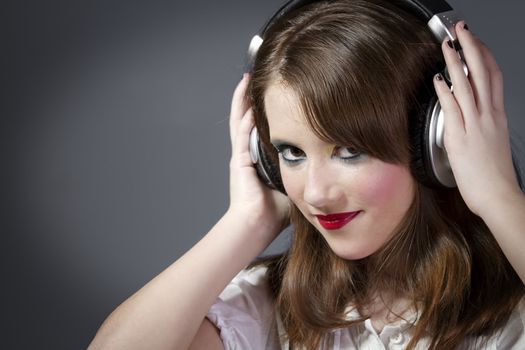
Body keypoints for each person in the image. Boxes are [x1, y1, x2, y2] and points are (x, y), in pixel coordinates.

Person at [88, 0, 525, 349]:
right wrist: (247, 222)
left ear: (437, 145)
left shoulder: (512, 309)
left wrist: (497, 194)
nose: (315, 193)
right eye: (291, 153)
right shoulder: (272, 308)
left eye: (349, 151)